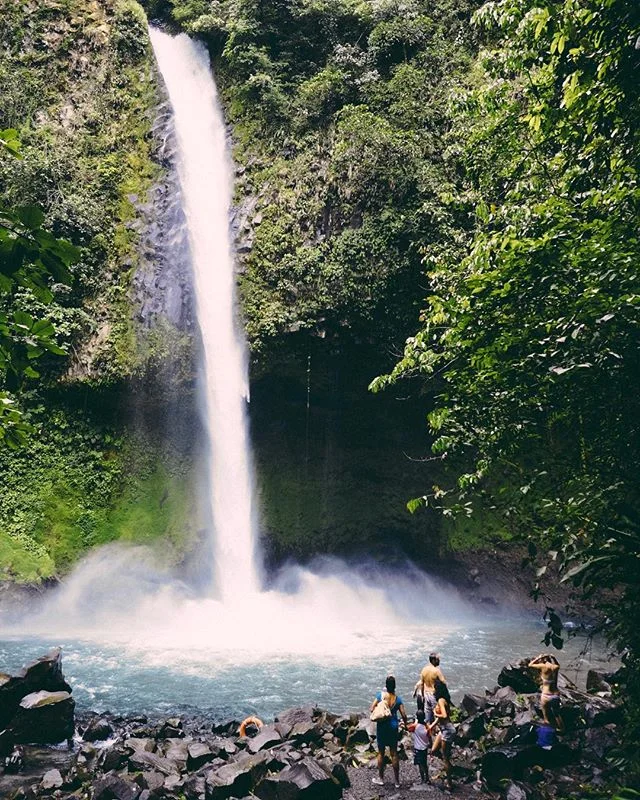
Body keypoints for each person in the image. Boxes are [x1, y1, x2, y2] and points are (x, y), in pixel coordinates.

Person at [370, 674, 408, 789]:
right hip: (393, 727)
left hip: (382, 726)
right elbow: (404, 715)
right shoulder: (398, 699)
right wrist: (405, 724)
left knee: (381, 753)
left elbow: (372, 708)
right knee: (394, 753)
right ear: (394, 686)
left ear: (386, 685)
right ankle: (397, 781)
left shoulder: (380, 695)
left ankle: (381, 779)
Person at [429, 677, 455, 791]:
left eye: (435, 689)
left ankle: (449, 782)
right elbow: (441, 719)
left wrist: (435, 712)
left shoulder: (441, 700)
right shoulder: (443, 699)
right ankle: (448, 768)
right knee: (434, 751)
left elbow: (444, 716)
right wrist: (432, 726)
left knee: (445, 757)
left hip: (448, 730)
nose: (433, 691)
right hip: (443, 729)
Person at [529, 654, 565, 732]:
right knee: (557, 714)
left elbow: (530, 665)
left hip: (545, 695)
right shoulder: (554, 667)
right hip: (555, 694)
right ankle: (562, 729)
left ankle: (549, 730)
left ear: (543, 660)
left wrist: (538, 657)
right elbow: (558, 665)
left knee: (546, 716)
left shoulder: (542, 666)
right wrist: (553, 657)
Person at [417, 651, 446, 721]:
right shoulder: (436, 671)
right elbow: (444, 682)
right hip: (434, 695)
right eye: (437, 659)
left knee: (428, 716)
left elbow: (421, 684)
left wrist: (423, 695)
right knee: (436, 714)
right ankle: (437, 730)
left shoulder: (424, 669)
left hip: (426, 694)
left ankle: (429, 729)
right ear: (433, 660)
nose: (439, 661)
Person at [408, 708, 431, 784]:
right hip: (425, 748)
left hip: (418, 748)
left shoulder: (415, 726)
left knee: (420, 765)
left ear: (417, 717)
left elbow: (408, 728)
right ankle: (427, 777)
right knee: (424, 763)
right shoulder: (427, 727)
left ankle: (422, 779)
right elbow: (429, 737)